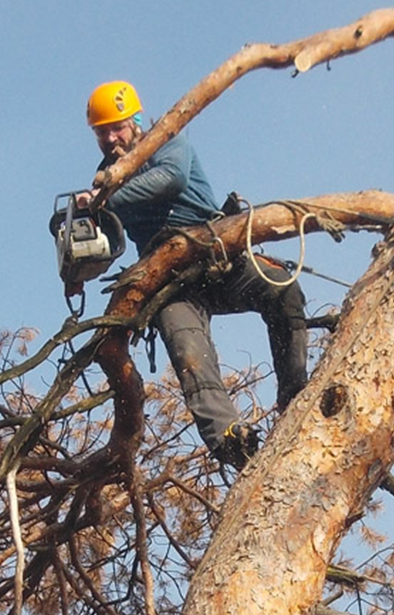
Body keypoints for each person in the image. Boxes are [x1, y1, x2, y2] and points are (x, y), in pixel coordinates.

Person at [82, 80, 308, 468]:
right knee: (189, 355)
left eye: (116, 126)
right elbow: (110, 242)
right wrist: (80, 263)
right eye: (102, 131)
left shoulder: (165, 141)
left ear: (135, 120)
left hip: (217, 254)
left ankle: (294, 397)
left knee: (282, 290)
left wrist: (106, 198)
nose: (110, 137)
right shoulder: (106, 177)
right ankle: (230, 440)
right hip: (169, 281)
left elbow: (172, 179)